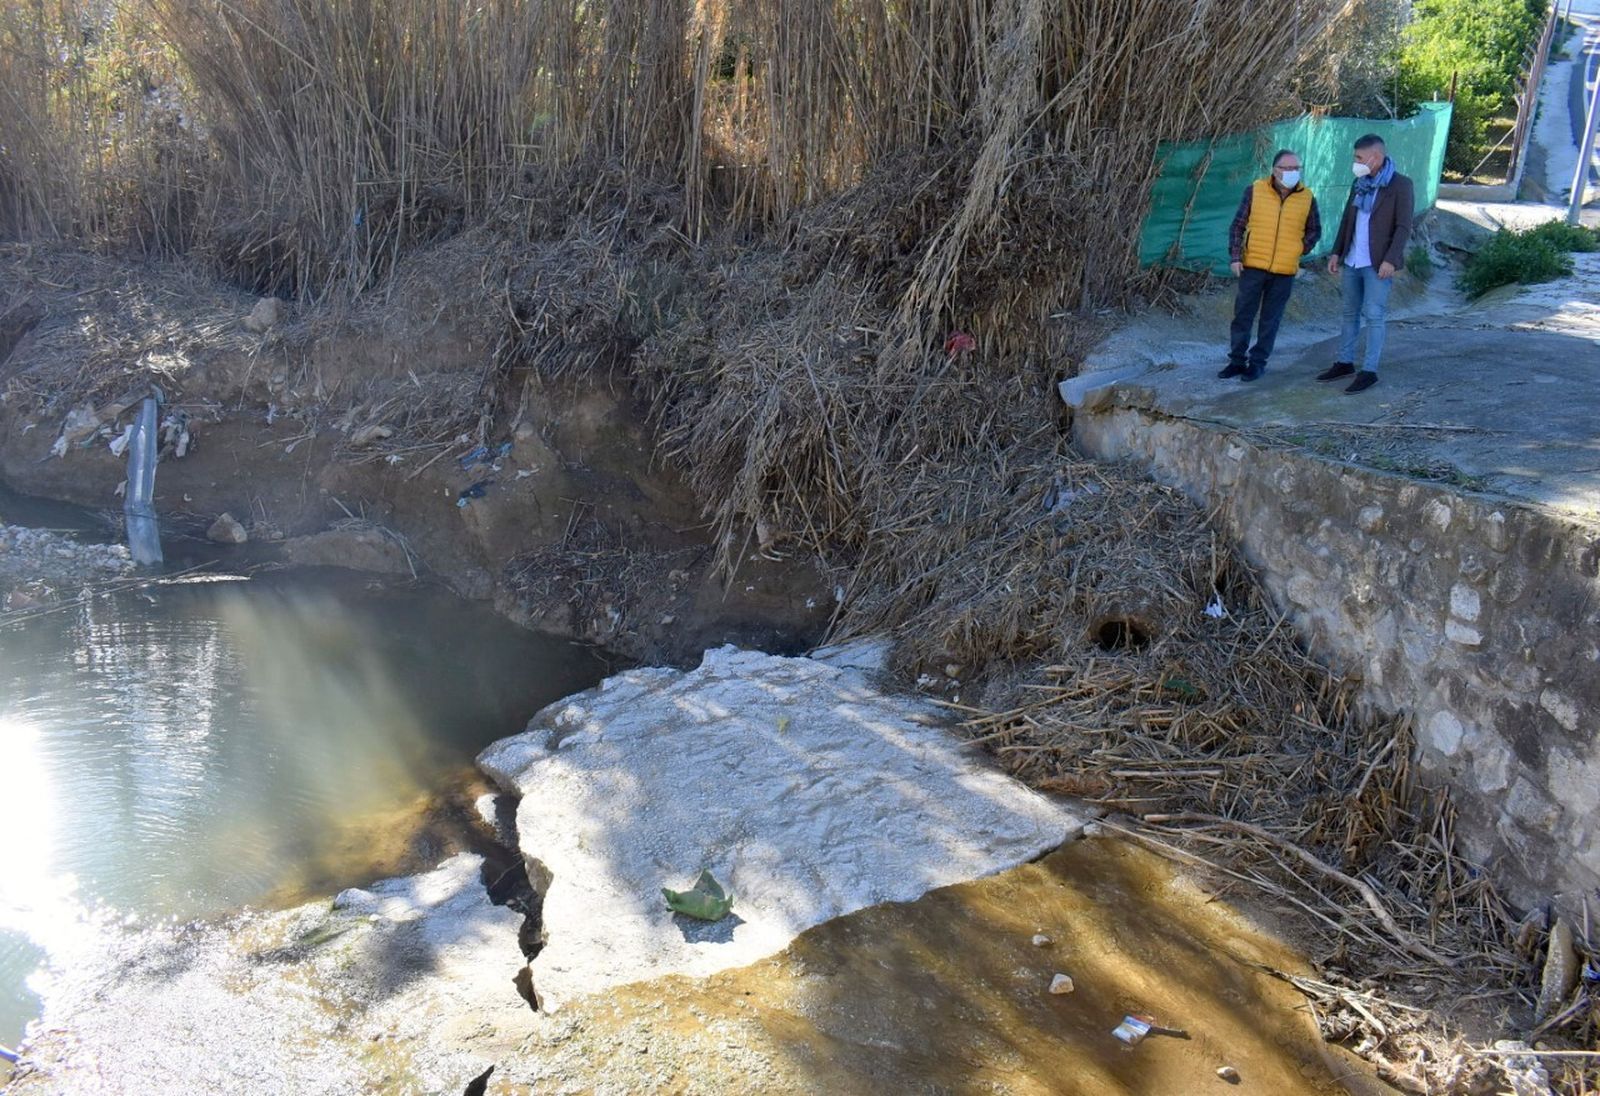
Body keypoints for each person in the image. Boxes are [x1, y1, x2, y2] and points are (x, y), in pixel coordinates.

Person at [1320, 134, 1414, 394]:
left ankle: (1369, 370)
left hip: (1377, 263)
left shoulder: (1400, 185)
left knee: (1374, 315)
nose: (1356, 162)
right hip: (1352, 259)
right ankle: (1344, 362)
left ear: (1376, 157)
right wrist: (1337, 251)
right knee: (1350, 313)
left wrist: (1390, 260)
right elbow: (1346, 220)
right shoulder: (1359, 183)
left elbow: (1404, 226)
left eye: (1359, 158)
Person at [1220, 149, 1322, 382]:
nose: (1292, 172)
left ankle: (1257, 363)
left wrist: (1298, 249)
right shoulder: (1255, 190)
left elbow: (1314, 231)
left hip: (1284, 271)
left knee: (1271, 319)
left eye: (1296, 168)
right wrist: (1236, 257)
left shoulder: (1307, 197)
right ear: (1274, 171)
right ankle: (1236, 361)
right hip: (1253, 265)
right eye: (1286, 168)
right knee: (1243, 315)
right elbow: (1237, 225)